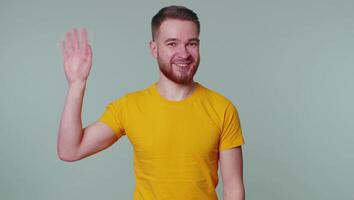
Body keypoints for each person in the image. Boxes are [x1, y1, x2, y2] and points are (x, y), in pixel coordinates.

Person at [58, 5, 245, 200]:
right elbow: (70, 150)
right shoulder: (129, 107)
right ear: (154, 49)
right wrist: (76, 84)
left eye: (192, 43)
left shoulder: (223, 109)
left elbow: (233, 189)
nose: (184, 53)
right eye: (172, 43)